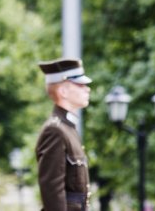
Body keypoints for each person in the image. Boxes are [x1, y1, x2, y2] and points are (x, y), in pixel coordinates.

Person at [35, 58, 92, 211]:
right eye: (80, 85)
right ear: (63, 91)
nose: (87, 89)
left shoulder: (68, 129)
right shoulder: (55, 131)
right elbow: (52, 190)